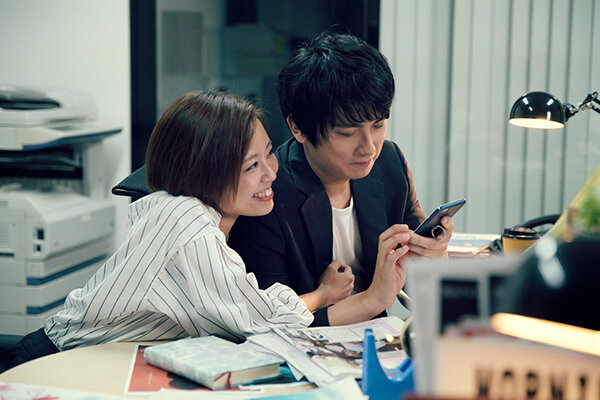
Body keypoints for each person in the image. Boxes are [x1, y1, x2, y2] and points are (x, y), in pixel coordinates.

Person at [3, 89, 398, 373]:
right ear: (205, 172)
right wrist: (328, 295)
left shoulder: (186, 212)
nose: (270, 174)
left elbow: (243, 302)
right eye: (251, 166)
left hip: (103, 362)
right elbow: (260, 318)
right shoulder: (188, 224)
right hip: (56, 364)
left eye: (268, 155)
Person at [228, 32, 454, 327]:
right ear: (298, 128)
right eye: (347, 132)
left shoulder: (389, 163)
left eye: (378, 125)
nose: (369, 147)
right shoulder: (266, 192)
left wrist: (434, 257)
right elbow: (267, 323)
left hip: (375, 338)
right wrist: (372, 299)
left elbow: (416, 285)